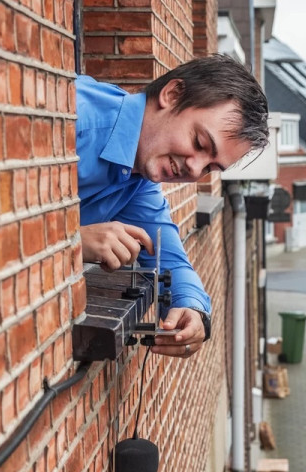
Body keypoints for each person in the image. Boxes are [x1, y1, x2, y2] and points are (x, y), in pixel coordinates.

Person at [76, 55, 268, 358]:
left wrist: (192, 309)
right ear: (172, 94)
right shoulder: (71, 119)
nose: (194, 170)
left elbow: (169, 260)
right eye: (200, 143)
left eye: (210, 167)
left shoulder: (137, 179)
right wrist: (73, 241)